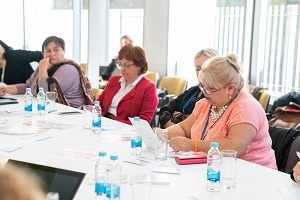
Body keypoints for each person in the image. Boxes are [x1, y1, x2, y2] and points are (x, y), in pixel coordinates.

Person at [167, 53, 277, 169]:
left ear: (230, 88)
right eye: (202, 86)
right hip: (217, 168)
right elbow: (184, 128)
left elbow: (234, 146)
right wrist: (161, 134)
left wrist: (192, 145)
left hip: (252, 173)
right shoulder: (206, 103)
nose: (204, 92)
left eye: (211, 89)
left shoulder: (246, 107)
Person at [0, 36, 93, 108]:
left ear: (63, 51)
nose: (52, 54)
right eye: (48, 51)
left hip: (72, 113)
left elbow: (46, 94)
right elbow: (28, 87)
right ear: (43, 54)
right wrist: (6, 89)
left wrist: (43, 68)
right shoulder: (46, 66)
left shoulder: (68, 69)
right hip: (51, 110)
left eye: (56, 50)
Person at [97, 43, 158, 125]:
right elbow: (98, 104)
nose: (122, 69)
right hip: (104, 125)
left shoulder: (148, 88)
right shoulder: (114, 80)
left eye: (127, 65)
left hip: (126, 131)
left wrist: (112, 124)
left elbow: (143, 122)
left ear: (139, 65)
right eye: (120, 64)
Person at [158, 48, 219, 128]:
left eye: (205, 68)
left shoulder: (215, 96)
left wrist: (176, 117)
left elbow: (198, 124)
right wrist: (177, 128)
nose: (201, 73)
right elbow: (164, 110)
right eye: (198, 69)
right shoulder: (193, 90)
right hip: (172, 135)